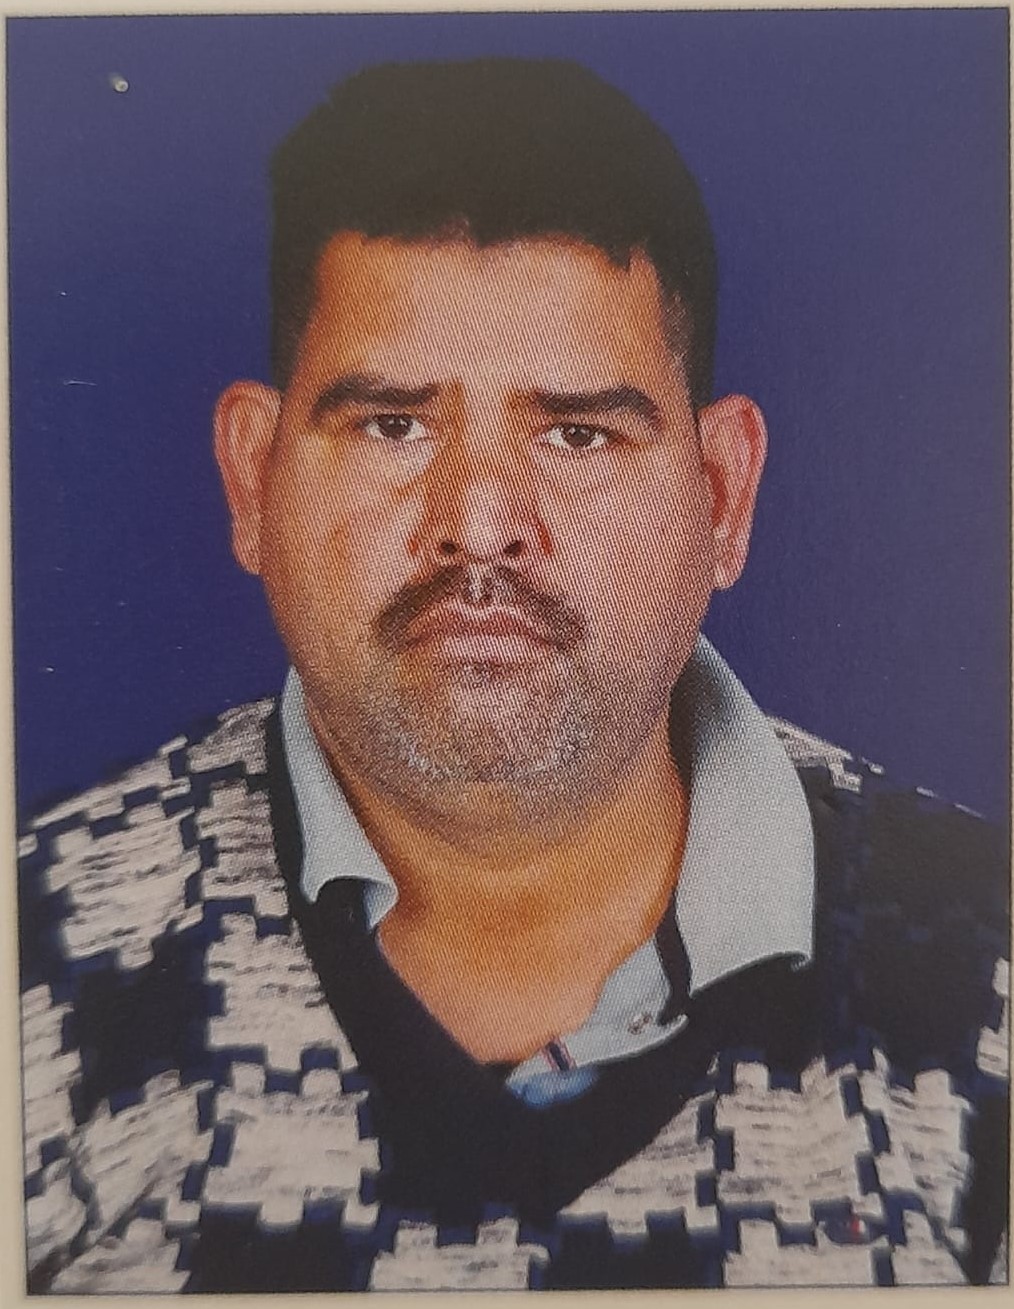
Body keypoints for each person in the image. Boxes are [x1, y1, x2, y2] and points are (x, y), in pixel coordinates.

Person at [18, 58, 1008, 1293]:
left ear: (722, 496)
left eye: (577, 432)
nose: (479, 526)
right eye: (393, 424)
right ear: (253, 477)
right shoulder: (33, 963)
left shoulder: (987, 969)